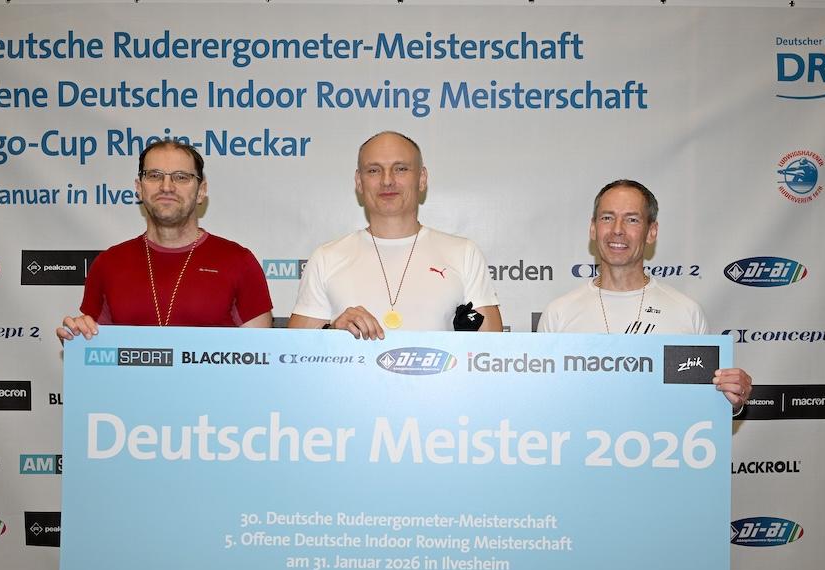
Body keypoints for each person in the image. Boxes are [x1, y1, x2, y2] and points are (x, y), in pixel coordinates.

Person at [539, 179, 751, 411]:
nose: (617, 229)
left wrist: (731, 402)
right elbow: (544, 405)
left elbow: (701, 406)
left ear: (651, 232)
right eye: (607, 218)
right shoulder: (559, 313)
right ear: (593, 228)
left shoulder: (686, 312)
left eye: (632, 219)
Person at [288, 131, 502, 339]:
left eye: (400, 169)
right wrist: (332, 332)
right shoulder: (326, 258)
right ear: (359, 181)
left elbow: (492, 352)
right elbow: (293, 352)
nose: (387, 180)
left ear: (422, 178)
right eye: (374, 170)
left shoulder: (463, 254)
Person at [56, 140, 272, 342]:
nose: (167, 186)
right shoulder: (108, 264)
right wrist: (77, 340)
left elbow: (260, 356)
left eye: (181, 177)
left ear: (201, 191)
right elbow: (93, 353)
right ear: (139, 188)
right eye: (154, 175)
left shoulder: (239, 262)